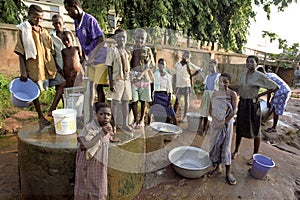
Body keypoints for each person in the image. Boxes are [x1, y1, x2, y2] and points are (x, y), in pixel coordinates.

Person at [14, 4, 66, 125]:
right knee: (34, 91)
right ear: (29, 15)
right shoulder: (23, 30)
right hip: (34, 67)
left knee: (62, 83)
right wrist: (23, 71)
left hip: (49, 66)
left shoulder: (44, 31)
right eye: (36, 17)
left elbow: (52, 50)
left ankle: (52, 109)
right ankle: (40, 116)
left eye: (41, 18)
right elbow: (20, 52)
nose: (38, 20)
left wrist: (58, 67)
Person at [232, 55, 278, 165]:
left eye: (252, 62)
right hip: (242, 103)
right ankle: (236, 150)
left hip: (253, 105)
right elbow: (239, 88)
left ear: (257, 64)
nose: (249, 64)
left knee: (255, 130)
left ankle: (254, 156)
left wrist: (259, 95)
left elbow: (275, 87)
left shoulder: (259, 76)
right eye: (247, 62)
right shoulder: (243, 75)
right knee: (239, 128)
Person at [64, 0, 108, 109]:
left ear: (75, 7)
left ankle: (101, 112)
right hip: (90, 59)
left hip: (100, 58)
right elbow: (81, 41)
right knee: (90, 86)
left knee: (98, 86)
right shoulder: (76, 22)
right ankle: (91, 111)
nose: (68, 14)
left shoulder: (89, 20)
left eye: (69, 10)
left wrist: (92, 57)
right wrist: (83, 56)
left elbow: (102, 39)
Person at [74, 103, 118, 199]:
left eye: (108, 115)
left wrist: (110, 137)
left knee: (99, 190)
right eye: (102, 114)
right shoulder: (89, 128)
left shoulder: (107, 126)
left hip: (99, 165)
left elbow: (108, 135)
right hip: (87, 164)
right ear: (95, 115)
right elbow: (84, 146)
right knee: (84, 188)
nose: (105, 117)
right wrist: (102, 134)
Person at [207, 73, 237, 185]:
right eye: (220, 81)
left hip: (226, 124)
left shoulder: (232, 94)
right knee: (215, 145)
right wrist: (215, 120)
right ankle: (217, 167)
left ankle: (228, 172)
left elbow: (234, 111)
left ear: (229, 83)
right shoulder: (214, 94)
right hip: (215, 124)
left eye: (225, 81)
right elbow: (210, 109)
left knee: (226, 147)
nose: (222, 84)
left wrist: (224, 122)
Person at [106, 28, 133, 134]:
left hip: (126, 80)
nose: (121, 39)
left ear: (126, 39)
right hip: (117, 80)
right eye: (119, 37)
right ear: (115, 39)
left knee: (126, 101)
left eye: (123, 37)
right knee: (115, 102)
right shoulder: (112, 50)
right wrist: (111, 83)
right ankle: (113, 125)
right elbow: (109, 67)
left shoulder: (126, 51)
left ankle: (125, 124)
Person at [128, 28, 155, 128]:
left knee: (143, 100)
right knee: (134, 100)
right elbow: (128, 63)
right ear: (134, 37)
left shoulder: (147, 50)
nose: (139, 40)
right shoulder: (131, 49)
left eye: (142, 38)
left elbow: (149, 65)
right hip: (133, 77)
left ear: (145, 40)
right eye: (138, 37)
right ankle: (135, 119)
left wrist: (141, 75)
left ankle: (141, 120)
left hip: (144, 77)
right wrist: (131, 75)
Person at [256, 66, 291, 132]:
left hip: (282, 92)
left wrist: (259, 95)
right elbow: (270, 90)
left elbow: (269, 91)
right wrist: (268, 102)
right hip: (283, 91)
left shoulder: (267, 78)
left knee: (276, 109)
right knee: (272, 105)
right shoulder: (271, 74)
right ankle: (263, 121)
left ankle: (274, 128)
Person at [173, 51, 202, 122]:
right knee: (177, 101)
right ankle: (173, 116)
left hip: (186, 85)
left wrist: (192, 75)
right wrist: (174, 85)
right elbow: (174, 75)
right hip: (179, 86)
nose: (186, 57)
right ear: (182, 55)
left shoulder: (189, 65)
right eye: (185, 55)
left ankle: (184, 117)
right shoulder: (177, 64)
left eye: (188, 56)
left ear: (189, 58)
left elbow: (199, 69)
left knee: (186, 101)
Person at [150, 58, 177, 125]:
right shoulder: (155, 74)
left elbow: (170, 89)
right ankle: (150, 125)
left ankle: (176, 126)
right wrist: (151, 97)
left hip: (165, 96)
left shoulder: (168, 76)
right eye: (160, 64)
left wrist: (170, 100)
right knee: (153, 111)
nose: (162, 65)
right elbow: (152, 85)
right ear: (158, 65)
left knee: (171, 111)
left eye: (163, 64)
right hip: (156, 95)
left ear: (165, 65)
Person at [197, 59, 220, 135]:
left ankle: (211, 129)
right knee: (203, 112)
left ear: (215, 66)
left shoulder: (218, 76)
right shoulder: (207, 76)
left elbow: (218, 87)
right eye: (209, 66)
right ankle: (201, 128)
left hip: (213, 95)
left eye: (212, 66)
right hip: (206, 94)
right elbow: (206, 86)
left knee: (213, 112)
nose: (210, 68)